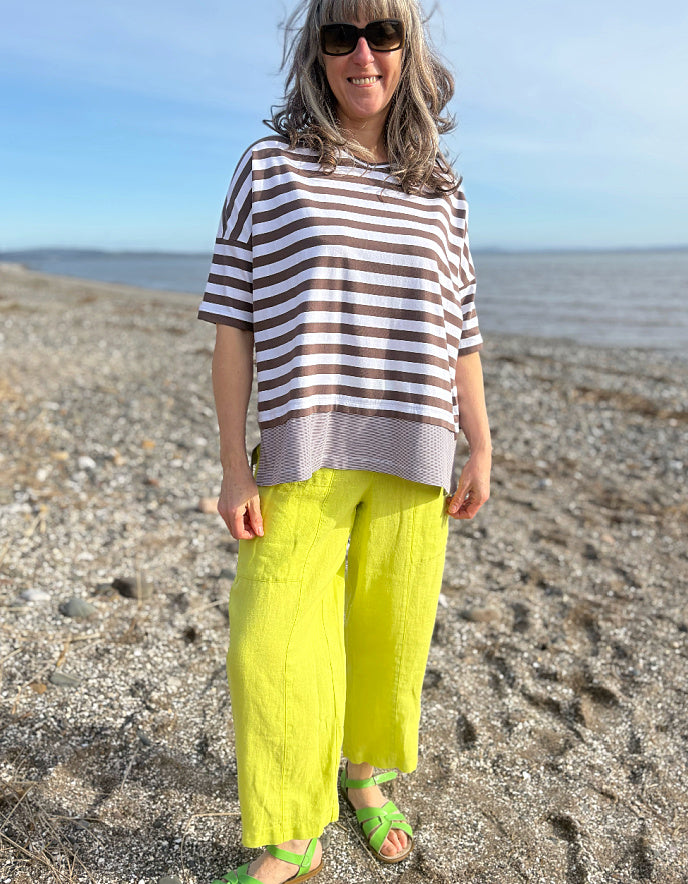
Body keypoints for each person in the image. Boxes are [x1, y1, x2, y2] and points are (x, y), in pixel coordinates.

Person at [198, 1, 491, 881]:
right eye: (340, 36)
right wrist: (229, 464)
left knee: (390, 632)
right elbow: (232, 323)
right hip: (303, 447)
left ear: (409, 48)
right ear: (318, 54)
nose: (362, 53)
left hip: (419, 449)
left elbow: (462, 327)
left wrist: (481, 442)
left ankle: (364, 775)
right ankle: (293, 827)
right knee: (272, 640)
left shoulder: (440, 184)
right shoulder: (270, 166)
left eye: (382, 33)